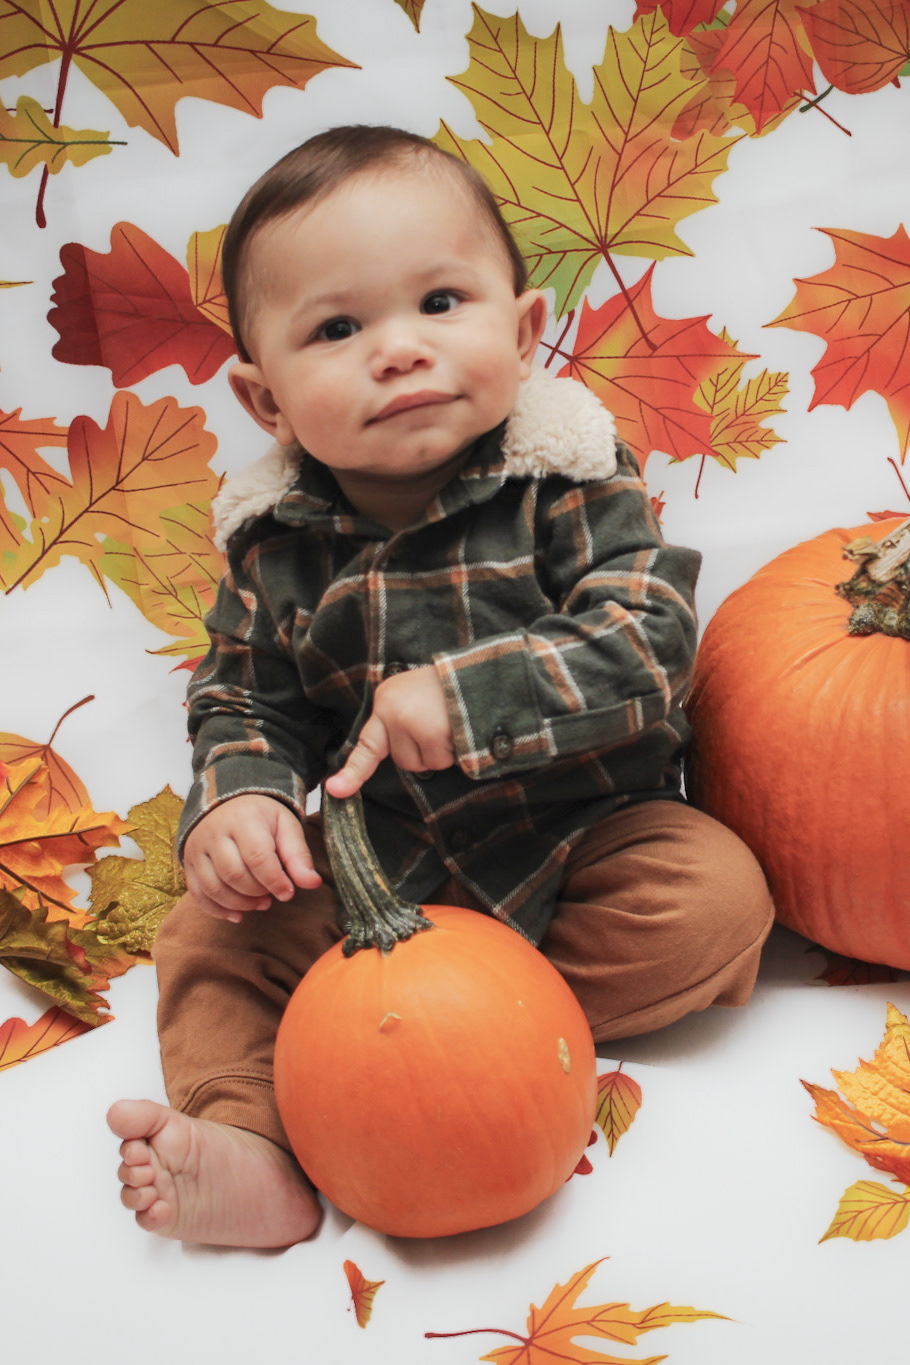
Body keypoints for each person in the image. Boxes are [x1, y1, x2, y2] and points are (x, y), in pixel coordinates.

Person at [108, 125, 774, 1248]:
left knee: (713, 905)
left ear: (520, 330)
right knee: (205, 941)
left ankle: (447, 1042)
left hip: (581, 837)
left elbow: (649, 642)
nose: (399, 350)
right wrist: (242, 798)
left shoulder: (567, 481)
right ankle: (248, 1138)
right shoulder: (274, 547)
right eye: (337, 328)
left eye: (440, 302)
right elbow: (242, 698)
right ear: (266, 400)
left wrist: (471, 699)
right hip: (379, 861)